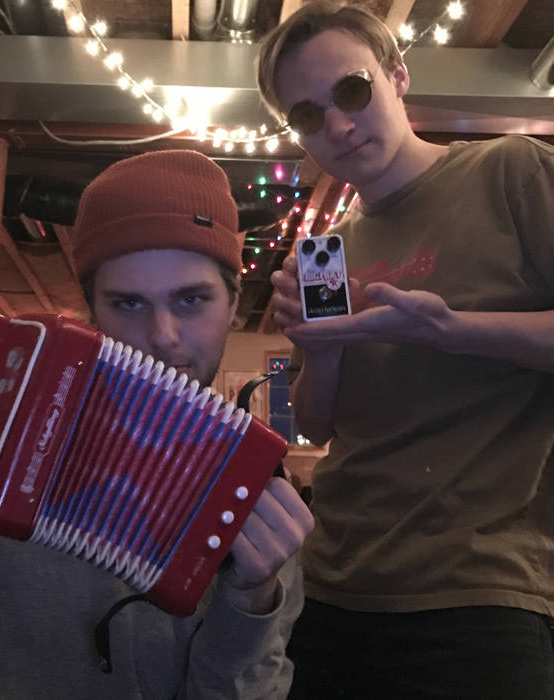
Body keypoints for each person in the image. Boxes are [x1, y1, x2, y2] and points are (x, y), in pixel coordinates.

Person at [0, 149, 314, 699]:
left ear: (233, 303)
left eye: (192, 299)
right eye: (129, 304)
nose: (163, 336)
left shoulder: (253, 495)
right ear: (92, 307)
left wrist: (252, 600)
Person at [256, 2, 554, 699]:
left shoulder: (511, 172)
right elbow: (317, 425)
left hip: (481, 587)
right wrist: (321, 347)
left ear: (397, 76)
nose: (337, 125)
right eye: (307, 114)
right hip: (330, 582)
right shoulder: (328, 252)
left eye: (352, 90)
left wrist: (454, 331)